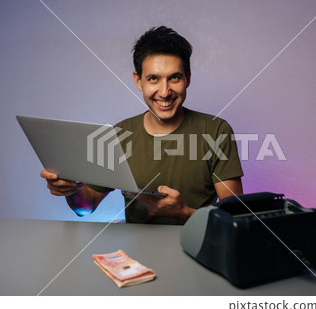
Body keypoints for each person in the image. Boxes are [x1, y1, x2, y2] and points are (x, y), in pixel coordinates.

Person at [40, 26, 243, 224]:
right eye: (153, 79)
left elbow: (235, 217)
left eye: (174, 78)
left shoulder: (216, 131)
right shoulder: (119, 136)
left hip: (200, 248)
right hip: (137, 253)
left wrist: (184, 213)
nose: (164, 92)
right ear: (138, 81)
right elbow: (85, 208)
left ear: (187, 79)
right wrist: (72, 189)